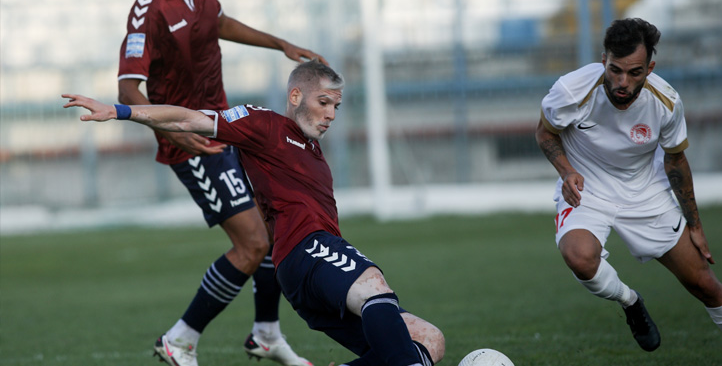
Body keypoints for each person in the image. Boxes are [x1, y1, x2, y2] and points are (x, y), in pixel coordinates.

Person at [63, 60, 446, 366]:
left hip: (311, 271)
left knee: (429, 340)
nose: (331, 114)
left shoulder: (312, 150)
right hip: (306, 252)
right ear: (296, 95)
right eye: (323, 102)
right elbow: (188, 118)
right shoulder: (264, 125)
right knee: (373, 284)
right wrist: (119, 110)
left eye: (336, 106)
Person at [116, 0, 328, 365]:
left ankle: (266, 333)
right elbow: (127, 88)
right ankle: (180, 339)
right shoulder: (148, 11)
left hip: (223, 127)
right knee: (252, 244)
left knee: (272, 229)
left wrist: (280, 44)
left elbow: (219, 23)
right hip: (191, 144)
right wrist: (174, 134)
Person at [535, 17, 722, 365]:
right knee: (580, 258)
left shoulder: (667, 102)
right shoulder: (572, 89)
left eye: (634, 72)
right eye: (614, 70)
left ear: (650, 68)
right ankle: (630, 301)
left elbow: (676, 163)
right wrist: (567, 172)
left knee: (703, 282)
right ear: (604, 60)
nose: (622, 82)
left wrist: (696, 226)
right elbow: (545, 133)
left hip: (645, 191)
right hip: (588, 188)